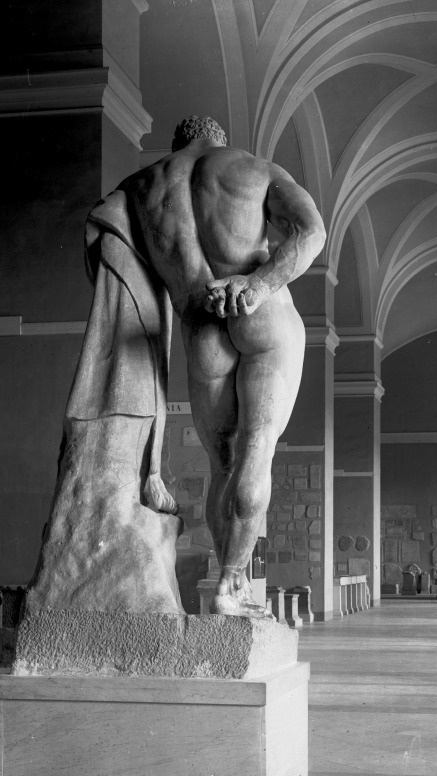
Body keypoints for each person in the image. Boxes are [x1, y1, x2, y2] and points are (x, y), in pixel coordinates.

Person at [118, 116, 325, 617]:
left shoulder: (140, 187)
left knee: (223, 464)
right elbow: (311, 231)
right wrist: (258, 285)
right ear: (216, 138)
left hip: (201, 327)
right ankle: (232, 585)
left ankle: (224, 580)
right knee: (258, 448)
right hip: (260, 313)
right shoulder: (252, 168)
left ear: (177, 142)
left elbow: (107, 243)